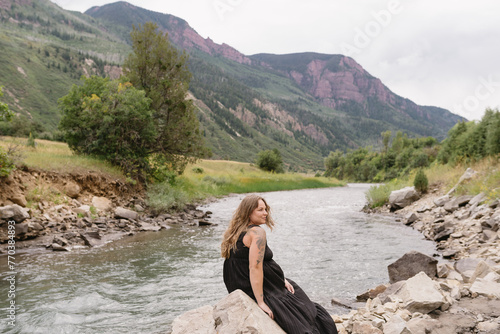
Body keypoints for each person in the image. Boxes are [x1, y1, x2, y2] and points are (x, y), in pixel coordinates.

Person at [221, 194, 338, 334]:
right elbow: (254, 267)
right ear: (248, 211)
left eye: (266, 209)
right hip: (259, 287)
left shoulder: (236, 232)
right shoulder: (257, 232)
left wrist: (280, 278)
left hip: (242, 283)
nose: (265, 213)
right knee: (306, 312)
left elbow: (248, 263)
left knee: (293, 290)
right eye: (260, 209)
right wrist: (260, 302)